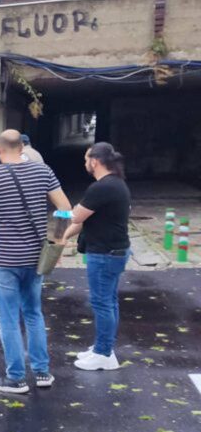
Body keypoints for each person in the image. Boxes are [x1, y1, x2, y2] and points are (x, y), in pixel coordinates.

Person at [0, 130, 72, 393]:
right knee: (33, 313)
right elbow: (65, 207)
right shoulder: (43, 171)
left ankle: (16, 377)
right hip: (35, 258)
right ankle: (42, 373)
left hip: (4, 258)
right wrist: (59, 241)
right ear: (21, 147)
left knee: (7, 318)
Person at [61, 142, 131, 371]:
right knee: (108, 302)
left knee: (102, 303)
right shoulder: (116, 184)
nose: (84, 164)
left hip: (104, 253)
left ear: (95, 161)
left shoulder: (102, 188)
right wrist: (64, 238)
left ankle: (103, 353)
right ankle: (103, 348)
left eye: (85, 159)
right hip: (114, 251)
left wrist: (62, 212)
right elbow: (85, 221)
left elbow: (77, 216)